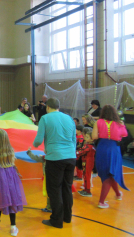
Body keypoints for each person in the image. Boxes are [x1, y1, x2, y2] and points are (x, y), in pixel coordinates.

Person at [33, 98, 76, 229]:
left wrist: (35, 144)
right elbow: (73, 140)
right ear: (58, 106)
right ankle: (67, 217)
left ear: (47, 107)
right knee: (67, 188)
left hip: (55, 158)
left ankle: (56, 220)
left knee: (54, 189)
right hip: (70, 157)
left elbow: (38, 141)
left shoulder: (45, 119)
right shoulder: (69, 118)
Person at [0, 129, 26, 236]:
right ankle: (13, 227)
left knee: (0, 198)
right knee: (12, 198)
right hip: (11, 174)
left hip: (0, 176)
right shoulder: (10, 149)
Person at [92, 105, 128, 209]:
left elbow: (94, 136)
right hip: (113, 149)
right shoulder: (118, 123)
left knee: (107, 174)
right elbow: (124, 134)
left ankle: (117, 194)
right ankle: (101, 202)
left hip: (101, 148)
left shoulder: (98, 122)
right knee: (110, 174)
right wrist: (122, 125)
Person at [27, 147, 51, 213]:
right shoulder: (55, 157)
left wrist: (29, 152)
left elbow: (35, 158)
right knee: (52, 192)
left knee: (49, 192)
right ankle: (52, 207)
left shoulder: (44, 158)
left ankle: (49, 207)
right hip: (55, 177)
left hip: (48, 177)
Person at [77, 127, 96, 197]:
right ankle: (85, 189)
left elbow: (81, 152)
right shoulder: (88, 145)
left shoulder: (89, 147)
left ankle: (87, 191)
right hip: (86, 162)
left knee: (87, 176)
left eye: (87, 137)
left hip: (88, 163)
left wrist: (75, 153)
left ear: (92, 139)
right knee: (85, 176)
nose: (85, 138)